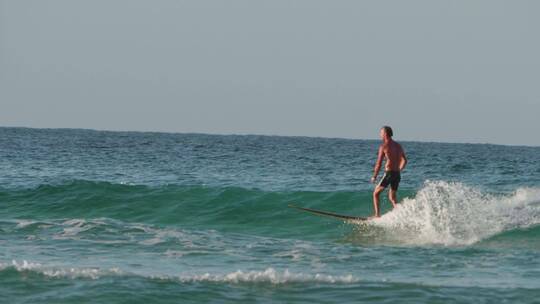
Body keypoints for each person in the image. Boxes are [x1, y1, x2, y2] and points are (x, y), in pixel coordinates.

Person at [369, 126, 407, 218]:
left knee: (375, 193)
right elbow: (405, 160)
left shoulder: (384, 146)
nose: (380, 135)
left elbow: (378, 164)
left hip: (389, 174)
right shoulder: (398, 146)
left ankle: (377, 215)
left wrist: (374, 176)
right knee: (392, 198)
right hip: (397, 174)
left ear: (385, 134)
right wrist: (399, 169)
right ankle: (402, 215)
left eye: (381, 133)